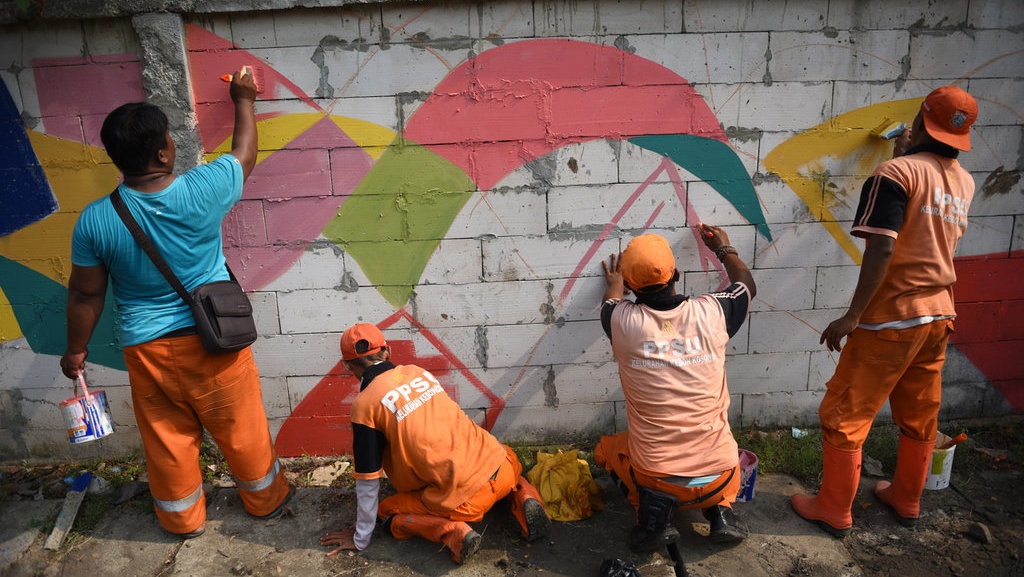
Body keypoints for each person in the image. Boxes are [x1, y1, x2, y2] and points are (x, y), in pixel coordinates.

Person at [60, 67, 292, 539]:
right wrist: (243, 100)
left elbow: (87, 292)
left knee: (166, 441)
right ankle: (265, 500)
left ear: (116, 158)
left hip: (148, 352)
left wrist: (76, 351)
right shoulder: (203, 189)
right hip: (215, 342)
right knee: (241, 428)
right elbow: (244, 154)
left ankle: (182, 519)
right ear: (165, 151)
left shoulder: (95, 221)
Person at [791, 86, 979, 537]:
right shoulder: (962, 181)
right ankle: (907, 497)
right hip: (938, 315)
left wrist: (852, 316)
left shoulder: (894, 174)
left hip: (893, 318)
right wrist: (907, 157)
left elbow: (881, 248)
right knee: (919, 413)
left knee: (845, 414)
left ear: (919, 120)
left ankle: (833, 508)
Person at [320, 323, 551, 564]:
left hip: (465, 498)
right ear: (387, 351)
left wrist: (360, 538)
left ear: (347, 365)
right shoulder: (417, 372)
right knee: (501, 460)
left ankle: (453, 533)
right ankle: (524, 496)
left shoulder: (365, 405)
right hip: (503, 465)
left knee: (387, 512)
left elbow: (368, 480)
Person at [596, 225, 757, 552]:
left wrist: (614, 286)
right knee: (717, 460)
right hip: (723, 475)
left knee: (607, 449)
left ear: (629, 286)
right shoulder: (714, 312)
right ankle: (720, 512)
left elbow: (610, 302)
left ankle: (655, 518)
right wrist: (724, 249)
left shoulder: (621, 322)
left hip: (658, 479)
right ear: (678, 274)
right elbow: (746, 286)